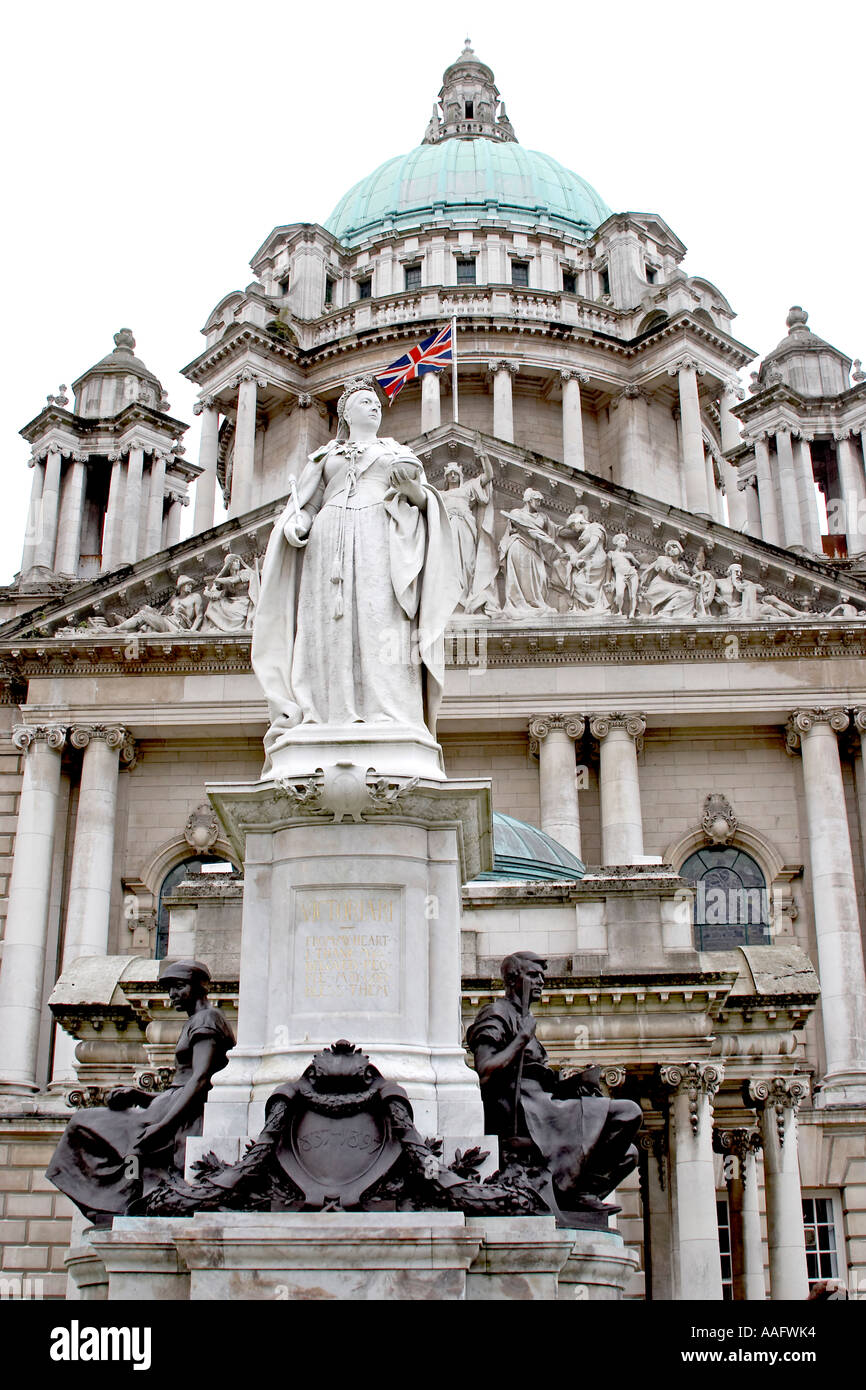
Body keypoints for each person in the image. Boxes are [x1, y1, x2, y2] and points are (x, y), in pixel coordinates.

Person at [251, 378, 458, 771]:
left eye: (376, 402)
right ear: (346, 412)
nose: (374, 407)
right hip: (328, 543)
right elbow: (307, 503)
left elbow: (421, 498)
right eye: (365, 402)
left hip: (380, 537)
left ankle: (390, 711)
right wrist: (297, 524)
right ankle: (329, 709)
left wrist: (413, 488)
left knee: (382, 614)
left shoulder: (395, 451)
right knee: (330, 623)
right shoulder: (324, 456)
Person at [45, 959, 234, 1225]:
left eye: (178, 987)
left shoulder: (207, 1020)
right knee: (89, 1126)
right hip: (167, 1108)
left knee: (82, 1124)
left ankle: (118, 1201)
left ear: (199, 987)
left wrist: (166, 1127)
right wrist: (138, 1096)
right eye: (170, 989)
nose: (172, 995)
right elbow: (183, 1085)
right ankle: (120, 1201)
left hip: (177, 1119)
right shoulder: (197, 1021)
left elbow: (201, 1080)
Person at [465, 951, 642, 1218]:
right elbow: (485, 1070)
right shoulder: (495, 1013)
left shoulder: (524, 1017)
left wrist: (573, 1086)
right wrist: (521, 1038)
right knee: (628, 1112)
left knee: (628, 1154)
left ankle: (575, 1193)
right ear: (513, 978)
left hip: (543, 1105)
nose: (541, 982)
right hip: (522, 1112)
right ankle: (573, 1190)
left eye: (542, 977)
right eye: (533, 975)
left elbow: (537, 1075)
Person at [441, 445, 497, 614]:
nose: (452, 476)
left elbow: (488, 476)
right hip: (448, 528)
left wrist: (484, 457)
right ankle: (451, 599)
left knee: (467, 563)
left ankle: (466, 596)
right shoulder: (439, 495)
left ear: (460, 476)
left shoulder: (468, 488)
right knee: (449, 564)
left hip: (465, 527)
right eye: (449, 474)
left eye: (455, 473)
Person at [497, 489, 562, 618]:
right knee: (523, 578)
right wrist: (543, 538)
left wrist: (578, 528)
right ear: (528, 499)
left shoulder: (543, 517)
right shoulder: (516, 513)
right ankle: (521, 604)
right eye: (536, 500)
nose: (539, 503)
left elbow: (557, 530)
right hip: (519, 546)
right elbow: (526, 529)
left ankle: (537, 603)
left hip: (535, 550)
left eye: (540, 500)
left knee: (542, 577)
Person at [203, 553, 258, 632]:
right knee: (213, 605)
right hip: (231, 601)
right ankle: (211, 629)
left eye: (238, 561)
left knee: (234, 608)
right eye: (235, 561)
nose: (238, 563)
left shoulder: (245, 573)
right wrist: (210, 592)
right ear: (229, 564)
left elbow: (233, 580)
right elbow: (220, 593)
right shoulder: (226, 579)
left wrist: (217, 580)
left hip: (244, 601)